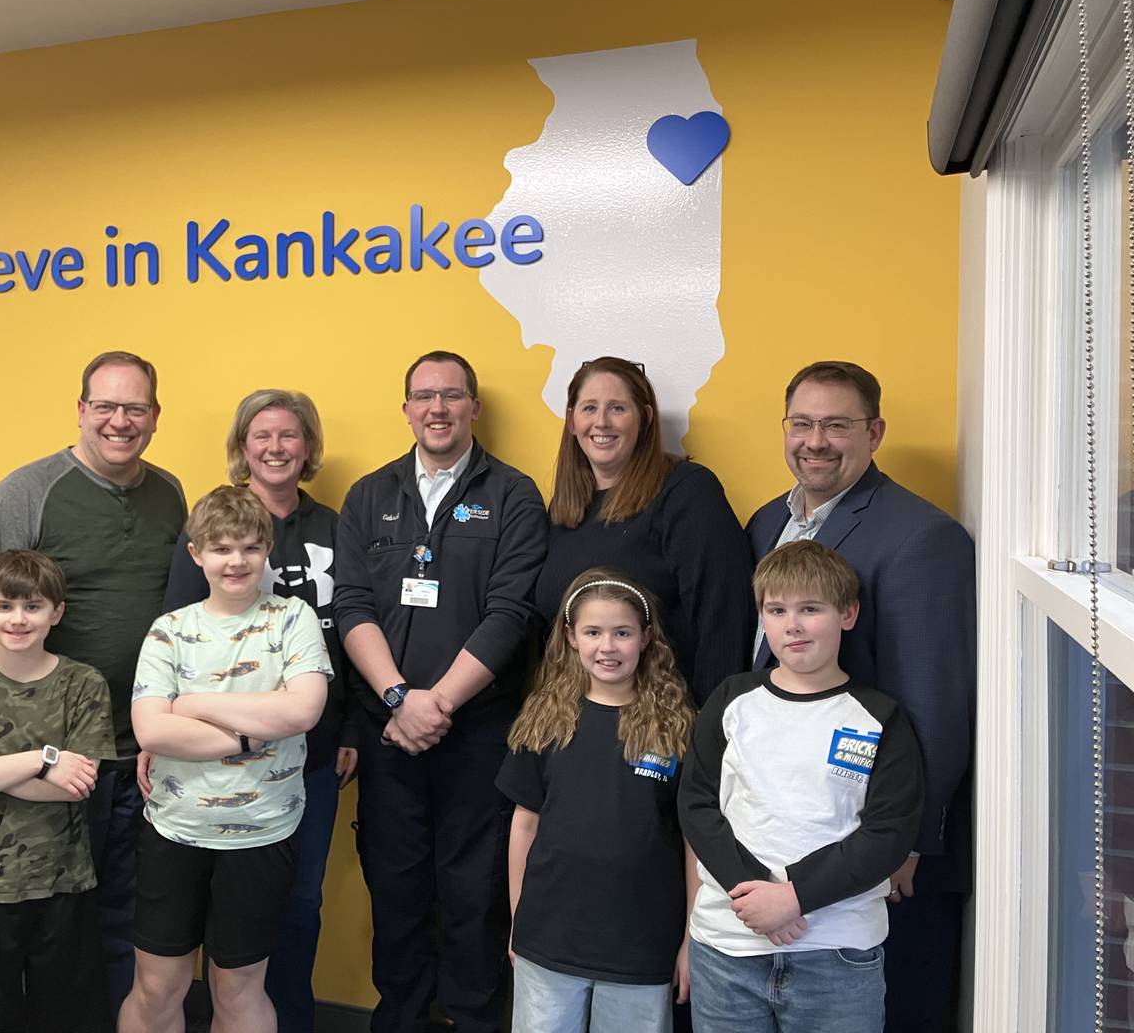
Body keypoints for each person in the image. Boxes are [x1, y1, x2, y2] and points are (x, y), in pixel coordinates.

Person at [0, 351, 188, 1009]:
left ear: (155, 417)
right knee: (44, 933)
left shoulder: (170, 495)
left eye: (134, 408)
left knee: (124, 924)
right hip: (45, 756)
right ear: (80, 411)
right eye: (104, 406)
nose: (119, 421)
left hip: (143, 753)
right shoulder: (27, 492)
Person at [745, 360, 975, 1032]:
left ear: (874, 433)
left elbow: (934, 703)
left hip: (882, 849)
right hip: (796, 829)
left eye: (837, 425)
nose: (815, 441)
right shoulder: (769, 522)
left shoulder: (922, 537)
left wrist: (907, 840)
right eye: (802, 424)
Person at [334, 350, 548, 1033]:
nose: (437, 409)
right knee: (395, 893)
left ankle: (475, 1021)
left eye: (452, 396)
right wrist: (401, 699)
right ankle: (398, 1020)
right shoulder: (370, 495)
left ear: (473, 408)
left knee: (474, 894)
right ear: (406, 409)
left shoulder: (514, 494)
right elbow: (353, 606)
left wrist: (438, 703)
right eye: (424, 396)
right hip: (389, 733)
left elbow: (510, 614)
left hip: (478, 734)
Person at [153, 388, 359, 1033]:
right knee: (220, 920)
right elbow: (173, 645)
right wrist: (161, 736)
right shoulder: (209, 529)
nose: (275, 448)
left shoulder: (336, 527)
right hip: (209, 764)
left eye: (289, 435)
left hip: (312, 755)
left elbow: (352, 627)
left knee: (298, 904)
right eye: (261, 436)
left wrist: (350, 726)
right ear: (243, 448)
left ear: (308, 447)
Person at [678, 540, 924, 1032]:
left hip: (837, 954)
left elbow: (888, 833)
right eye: (777, 609)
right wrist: (757, 895)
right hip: (728, 947)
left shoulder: (880, 717)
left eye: (810, 609)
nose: (792, 625)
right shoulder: (732, 700)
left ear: (847, 614)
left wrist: (795, 897)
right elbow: (697, 805)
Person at [121, 485, 332, 1033]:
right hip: (174, 832)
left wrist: (192, 705)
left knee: (238, 993)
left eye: (248, 547)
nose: (235, 561)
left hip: (261, 837)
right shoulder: (170, 631)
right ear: (197, 554)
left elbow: (303, 710)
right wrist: (245, 736)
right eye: (220, 548)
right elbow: (150, 728)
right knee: (156, 987)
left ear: (266, 551)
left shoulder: (294, 620)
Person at [0, 549, 116, 1033]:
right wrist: (42, 760)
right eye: (5, 606)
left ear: (57, 612)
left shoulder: (83, 685)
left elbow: (77, 786)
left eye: (32, 606)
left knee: (67, 1014)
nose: (18, 619)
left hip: (61, 878)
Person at [498, 569, 697, 1033]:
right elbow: (523, 825)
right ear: (570, 637)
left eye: (622, 633)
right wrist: (517, 919)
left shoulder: (678, 727)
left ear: (646, 638)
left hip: (642, 944)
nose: (607, 647)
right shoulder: (545, 718)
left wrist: (691, 940)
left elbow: (694, 843)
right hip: (548, 937)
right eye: (593, 632)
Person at [534, 356, 753, 706]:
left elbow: (724, 619)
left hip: (662, 721)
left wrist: (710, 732)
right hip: (573, 718)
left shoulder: (687, 492)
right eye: (589, 408)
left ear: (646, 419)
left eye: (617, 408)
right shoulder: (565, 508)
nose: (601, 422)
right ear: (572, 422)